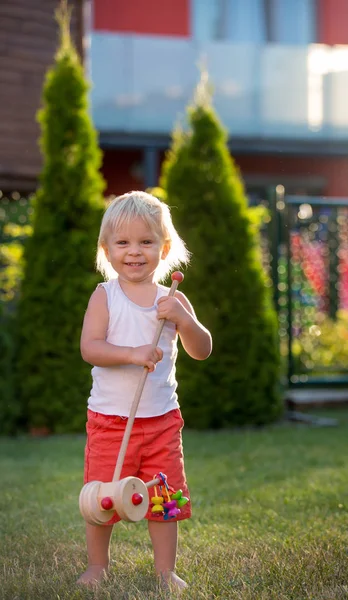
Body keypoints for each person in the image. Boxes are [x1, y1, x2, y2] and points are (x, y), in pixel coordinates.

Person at [77, 191, 212, 590]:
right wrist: (133, 353)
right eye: (123, 243)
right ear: (107, 249)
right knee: (101, 496)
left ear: (164, 248)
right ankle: (98, 566)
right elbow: (91, 349)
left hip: (162, 422)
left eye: (146, 242)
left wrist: (185, 320)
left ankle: (165, 570)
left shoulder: (172, 299)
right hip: (110, 420)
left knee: (165, 498)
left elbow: (202, 350)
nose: (134, 252)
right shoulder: (105, 296)